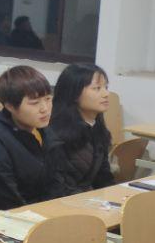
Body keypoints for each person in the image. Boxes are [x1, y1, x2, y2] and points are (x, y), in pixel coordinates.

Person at [0, 66, 61, 214]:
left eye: (48, 99)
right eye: (34, 103)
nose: (45, 108)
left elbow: (56, 181)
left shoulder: (43, 130)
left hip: (38, 212)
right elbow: (6, 200)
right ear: (10, 106)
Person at [46, 64, 113, 195]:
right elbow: (58, 188)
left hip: (85, 199)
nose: (106, 94)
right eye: (97, 88)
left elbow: (103, 177)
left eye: (106, 87)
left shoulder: (97, 129)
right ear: (74, 94)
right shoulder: (55, 134)